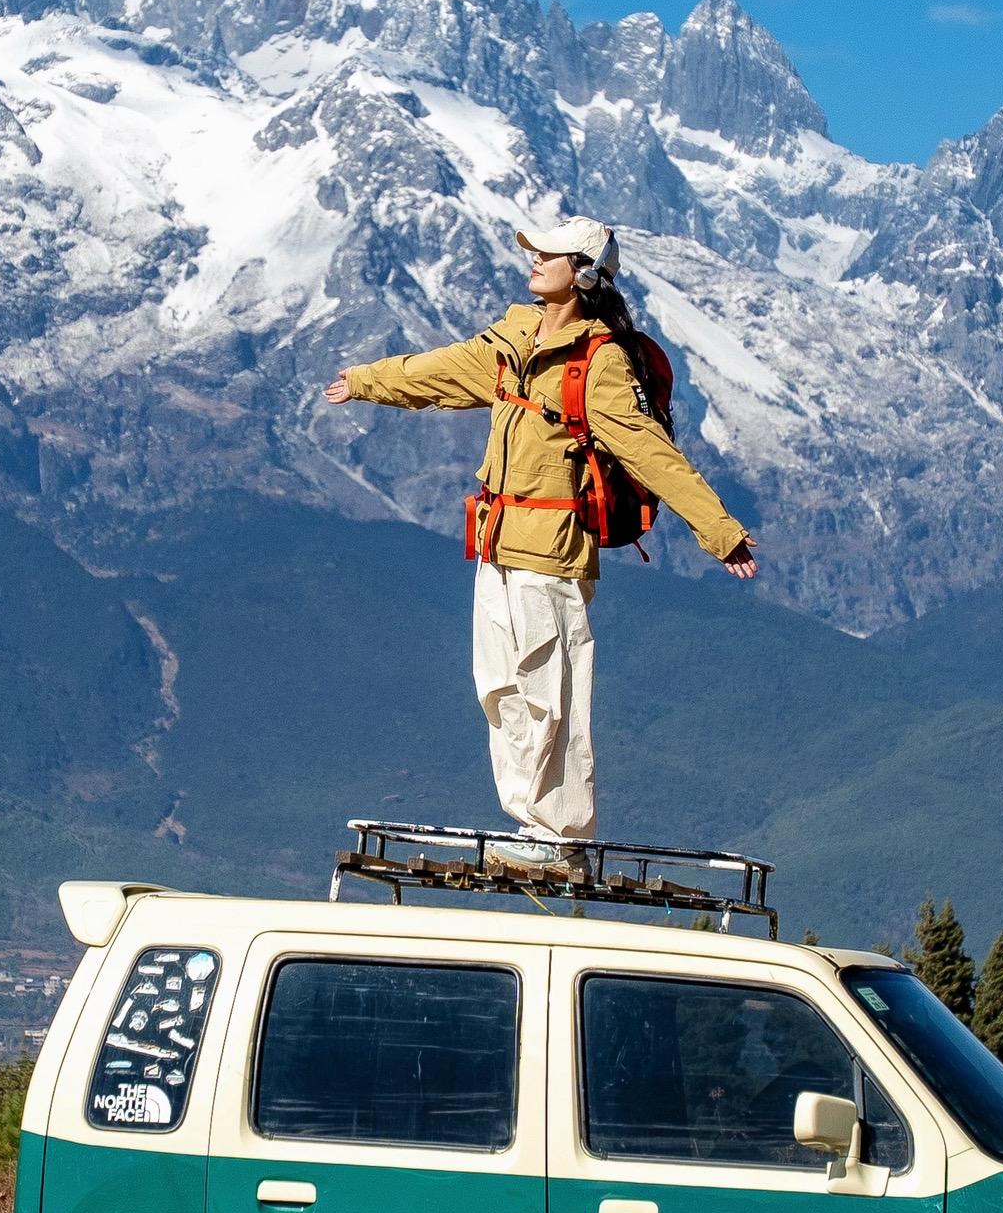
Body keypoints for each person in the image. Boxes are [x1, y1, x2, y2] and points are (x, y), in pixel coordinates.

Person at [324, 218, 757, 875]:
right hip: (496, 544)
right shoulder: (514, 340)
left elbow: (649, 450)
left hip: (553, 550)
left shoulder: (601, 360)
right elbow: (437, 373)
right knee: (500, 688)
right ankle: (530, 827)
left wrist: (719, 531)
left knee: (552, 688)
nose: (535, 259)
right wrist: (366, 380)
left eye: (550, 253)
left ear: (583, 271)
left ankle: (562, 837)